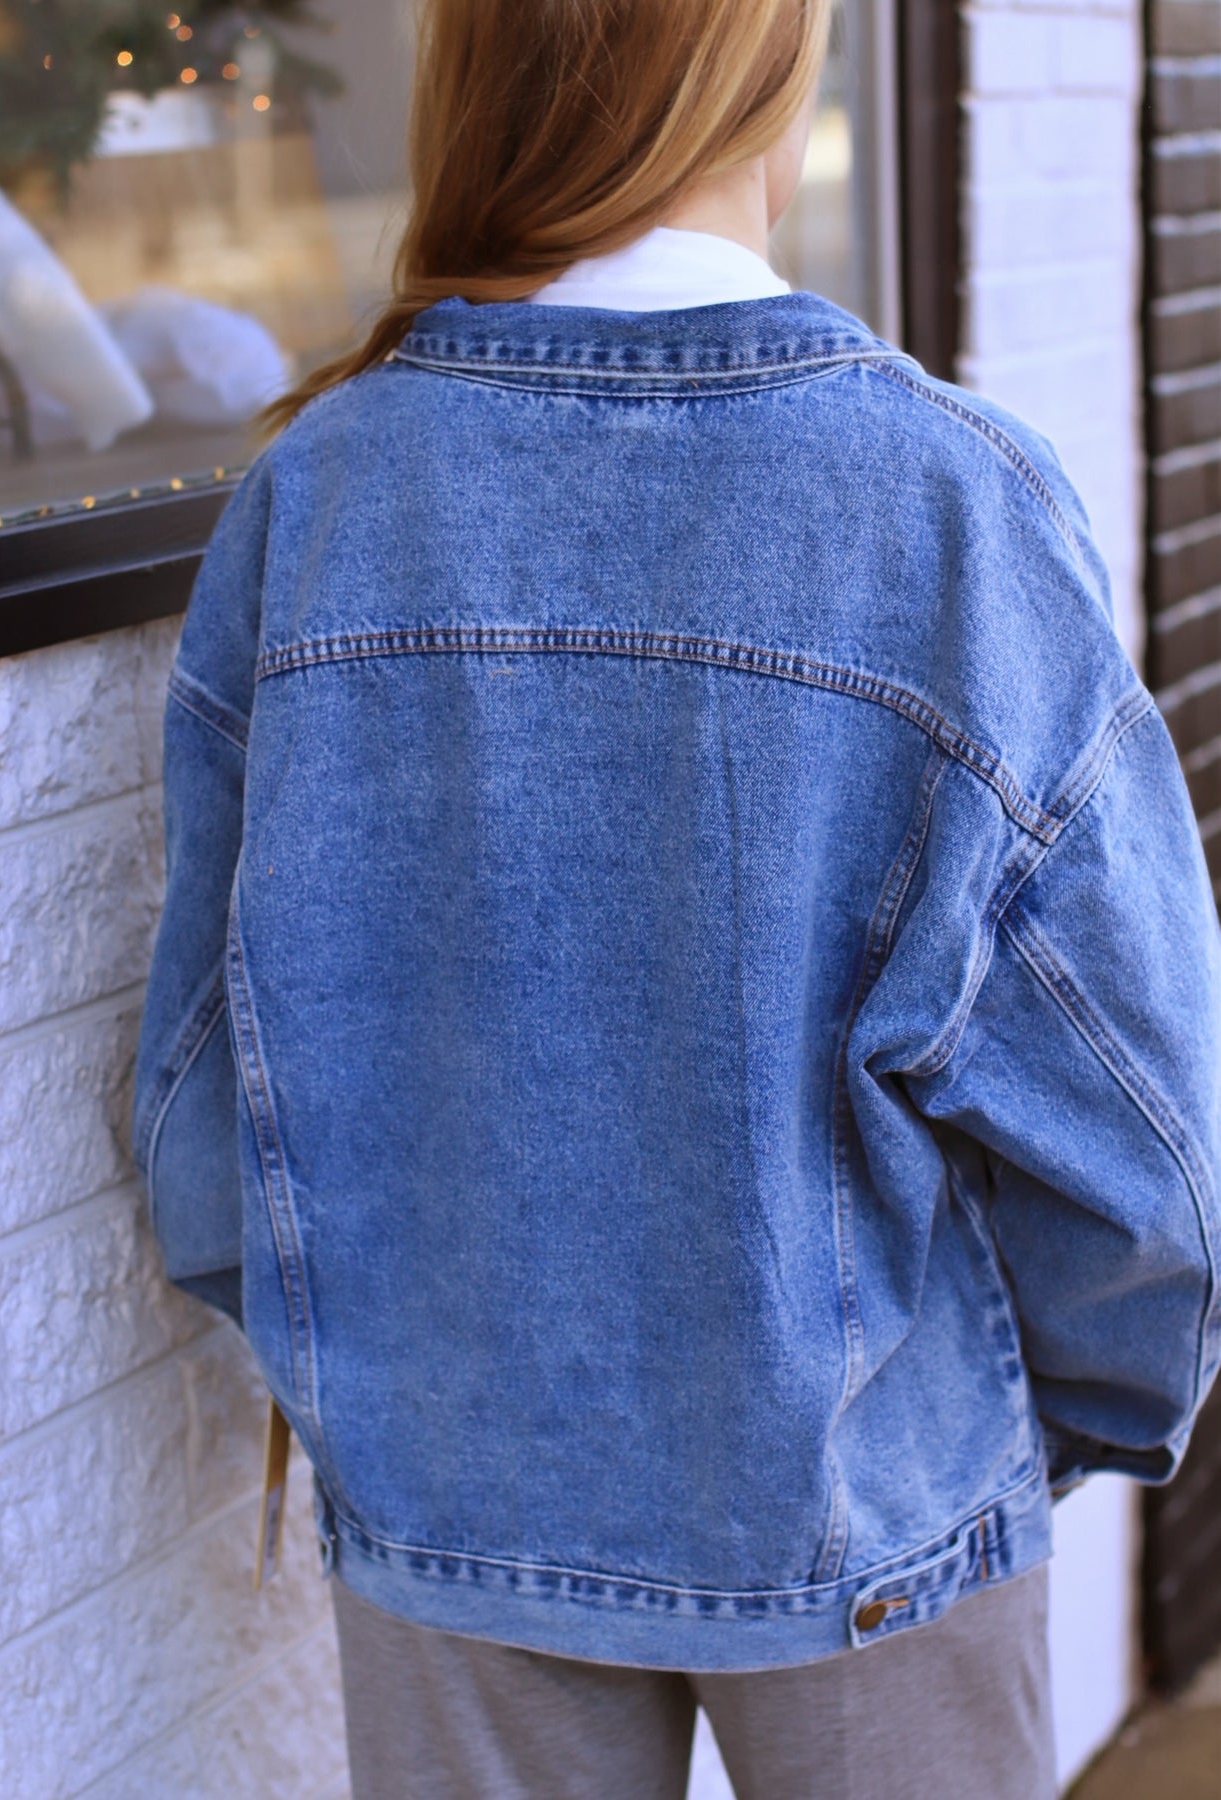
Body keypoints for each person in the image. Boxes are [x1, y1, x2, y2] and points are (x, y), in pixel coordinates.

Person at [133, 2, 1221, 1795]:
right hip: (864, 1492)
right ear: (768, 77)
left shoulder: (318, 494)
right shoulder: (944, 500)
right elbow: (1129, 1101)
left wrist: (367, 1374)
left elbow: (203, 1075)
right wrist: (1064, 1412)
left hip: (452, 1491)